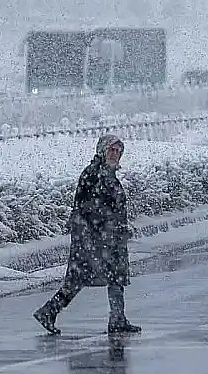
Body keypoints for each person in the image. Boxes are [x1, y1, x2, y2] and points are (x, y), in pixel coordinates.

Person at [34, 134, 142, 335]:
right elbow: (89, 207)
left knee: (113, 277)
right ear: (102, 150)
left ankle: (117, 318)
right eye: (112, 150)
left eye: (119, 151)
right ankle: (49, 311)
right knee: (82, 278)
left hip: (108, 237)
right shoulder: (94, 174)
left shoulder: (107, 174)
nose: (115, 154)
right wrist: (105, 228)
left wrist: (120, 227)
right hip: (94, 238)